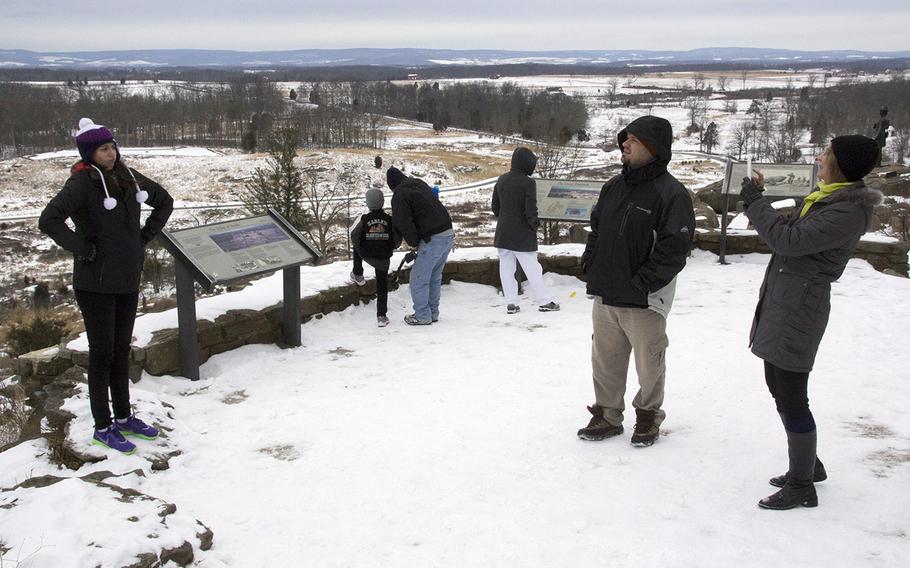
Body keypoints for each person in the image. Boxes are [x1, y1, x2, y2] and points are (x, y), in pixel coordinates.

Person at [739, 135, 881, 510]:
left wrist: (755, 204)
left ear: (841, 165)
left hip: (801, 306)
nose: (819, 159)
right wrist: (762, 199)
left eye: (826, 154)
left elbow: (788, 241)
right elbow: (791, 233)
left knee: (791, 391)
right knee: (778, 383)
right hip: (786, 300)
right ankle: (808, 463)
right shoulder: (829, 199)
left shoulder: (847, 211)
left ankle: (802, 484)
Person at [38, 118, 173, 455]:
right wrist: (83, 248)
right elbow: (49, 219)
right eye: (103, 149)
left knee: (120, 351)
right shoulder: (82, 183)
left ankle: (124, 417)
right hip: (95, 283)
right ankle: (103, 426)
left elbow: (164, 200)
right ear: (89, 152)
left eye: (112, 147)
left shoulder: (128, 176)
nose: (111, 153)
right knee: (101, 355)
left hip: (127, 278)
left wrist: (142, 239)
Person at [577, 115, 695, 447]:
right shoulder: (613, 187)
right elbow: (597, 229)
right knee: (605, 360)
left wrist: (644, 282)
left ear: (653, 148)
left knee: (649, 364)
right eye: (625, 139)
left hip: (644, 299)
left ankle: (647, 416)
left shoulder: (672, 194)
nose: (625, 145)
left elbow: (675, 247)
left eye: (634, 140)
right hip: (606, 294)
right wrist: (591, 263)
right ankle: (608, 414)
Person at [491, 147, 559, 314]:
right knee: (533, 269)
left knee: (506, 270)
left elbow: (495, 208)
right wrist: (535, 225)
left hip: (503, 233)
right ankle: (544, 301)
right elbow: (530, 209)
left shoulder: (502, 180)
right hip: (522, 234)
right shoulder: (528, 182)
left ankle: (511, 304)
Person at [387, 166, 454, 325]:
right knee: (434, 277)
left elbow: (404, 222)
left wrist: (414, 242)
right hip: (447, 233)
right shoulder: (418, 183)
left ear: (391, 185)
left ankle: (422, 315)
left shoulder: (399, 195)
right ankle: (433, 312)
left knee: (418, 278)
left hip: (432, 238)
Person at [349, 188, 401, 327]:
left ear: (367, 203)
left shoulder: (364, 219)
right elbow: (397, 239)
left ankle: (358, 274)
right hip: (383, 258)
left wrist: (361, 248)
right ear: (382, 202)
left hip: (367, 253)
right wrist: (389, 247)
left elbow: (354, 236)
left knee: (356, 247)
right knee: (382, 286)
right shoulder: (389, 220)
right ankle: (381, 316)